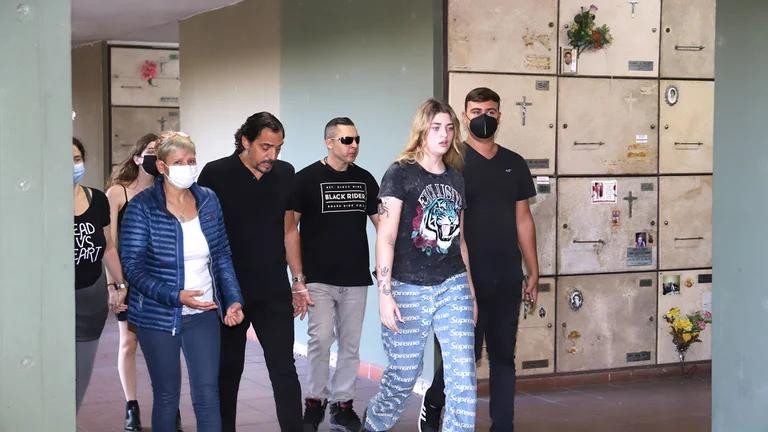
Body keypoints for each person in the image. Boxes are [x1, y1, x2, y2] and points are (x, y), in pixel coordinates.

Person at [420, 87, 539, 432]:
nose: (482, 117)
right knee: (464, 357)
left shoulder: (513, 163)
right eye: (475, 111)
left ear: (499, 115)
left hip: (506, 276)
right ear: (464, 115)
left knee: (503, 357)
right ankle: (434, 402)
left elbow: (523, 219)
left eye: (489, 111)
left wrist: (533, 269)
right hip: (462, 280)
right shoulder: (454, 163)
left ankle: (503, 425)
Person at [362, 99, 477, 432]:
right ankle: (375, 423)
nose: (444, 134)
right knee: (403, 375)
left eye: (450, 128)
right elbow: (385, 237)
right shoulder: (400, 172)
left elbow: (461, 241)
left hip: (451, 283)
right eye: (436, 127)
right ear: (422, 130)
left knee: (463, 376)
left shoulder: (456, 178)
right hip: (407, 287)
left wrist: (470, 292)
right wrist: (385, 294)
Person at [120, 131, 245, 432]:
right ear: (162, 167)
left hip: (203, 313)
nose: (187, 167)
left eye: (191, 161)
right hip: (158, 315)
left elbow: (222, 254)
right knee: (166, 396)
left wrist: (233, 298)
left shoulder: (208, 200)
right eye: (178, 162)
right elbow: (133, 268)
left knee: (207, 394)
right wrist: (176, 296)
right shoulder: (142, 207)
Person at [197, 113, 305, 432]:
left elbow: (289, 230)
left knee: (284, 370)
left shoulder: (285, 173)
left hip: (273, 288)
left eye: (278, 148)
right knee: (228, 371)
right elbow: (203, 234)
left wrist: (298, 281)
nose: (272, 156)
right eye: (265, 147)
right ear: (245, 141)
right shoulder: (216, 174)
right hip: (230, 290)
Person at [287, 117, 379, 432]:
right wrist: (297, 278)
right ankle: (315, 402)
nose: (353, 146)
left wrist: (387, 266)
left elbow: (383, 226)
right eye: (346, 140)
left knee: (351, 344)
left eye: (355, 140)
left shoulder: (366, 179)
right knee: (321, 339)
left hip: (355, 278)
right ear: (329, 142)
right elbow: (290, 230)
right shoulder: (306, 179)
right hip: (318, 278)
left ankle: (343, 405)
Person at [105, 132, 179, 431]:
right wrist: (116, 285)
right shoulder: (117, 193)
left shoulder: (169, 191)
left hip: (161, 279)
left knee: (165, 345)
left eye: (159, 151)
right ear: (137, 158)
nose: (154, 156)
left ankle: (169, 406)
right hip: (129, 279)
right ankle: (132, 406)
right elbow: (109, 243)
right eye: (149, 151)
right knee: (129, 343)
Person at [73, 138, 127, 412]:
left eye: (76, 159)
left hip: (89, 298)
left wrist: (119, 283)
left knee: (80, 376)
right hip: (52, 303)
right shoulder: (42, 203)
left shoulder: (97, 200)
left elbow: (107, 246)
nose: (72, 166)